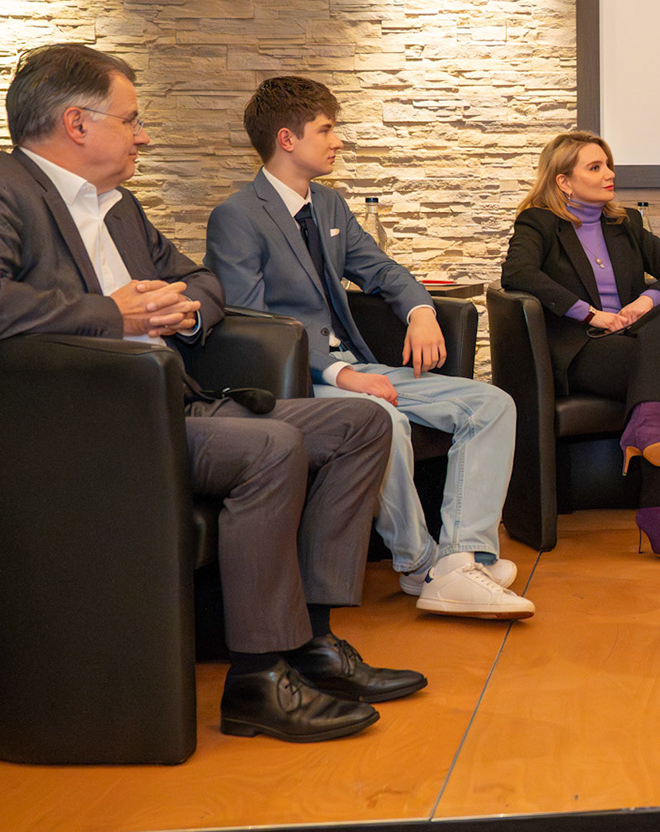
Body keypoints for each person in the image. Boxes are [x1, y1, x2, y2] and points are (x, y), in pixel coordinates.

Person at [0, 43, 423, 744]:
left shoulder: (121, 208)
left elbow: (202, 280)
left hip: (176, 402)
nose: (142, 134)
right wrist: (117, 313)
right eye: (131, 119)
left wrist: (188, 310)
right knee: (273, 444)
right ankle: (259, 680)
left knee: (359, 424)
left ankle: (311, 643)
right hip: (90, 422)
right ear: (78, 123)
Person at [206, 77, 534, 620]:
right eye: (327, 130)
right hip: (297, 379)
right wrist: (339, 375)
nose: (338, 141)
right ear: (287, 139)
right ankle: (420, 565)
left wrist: (422, 310)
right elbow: (251, 322)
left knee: (492, 404)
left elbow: (380, 270)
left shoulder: (329, 204)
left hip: (360, 365)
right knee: (384, 419)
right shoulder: (238, 216)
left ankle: (464, 558)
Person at [499, 130, 660, 559]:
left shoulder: (624, 222)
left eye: (608, 164)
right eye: (595, 167)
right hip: (582, 348)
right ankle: (659, 512)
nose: (609, 173)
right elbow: (517, 274)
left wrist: (645, 301)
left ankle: (644, 426)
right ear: (564, 181)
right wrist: (590, 313)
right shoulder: (539, 222)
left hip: (634, 343)